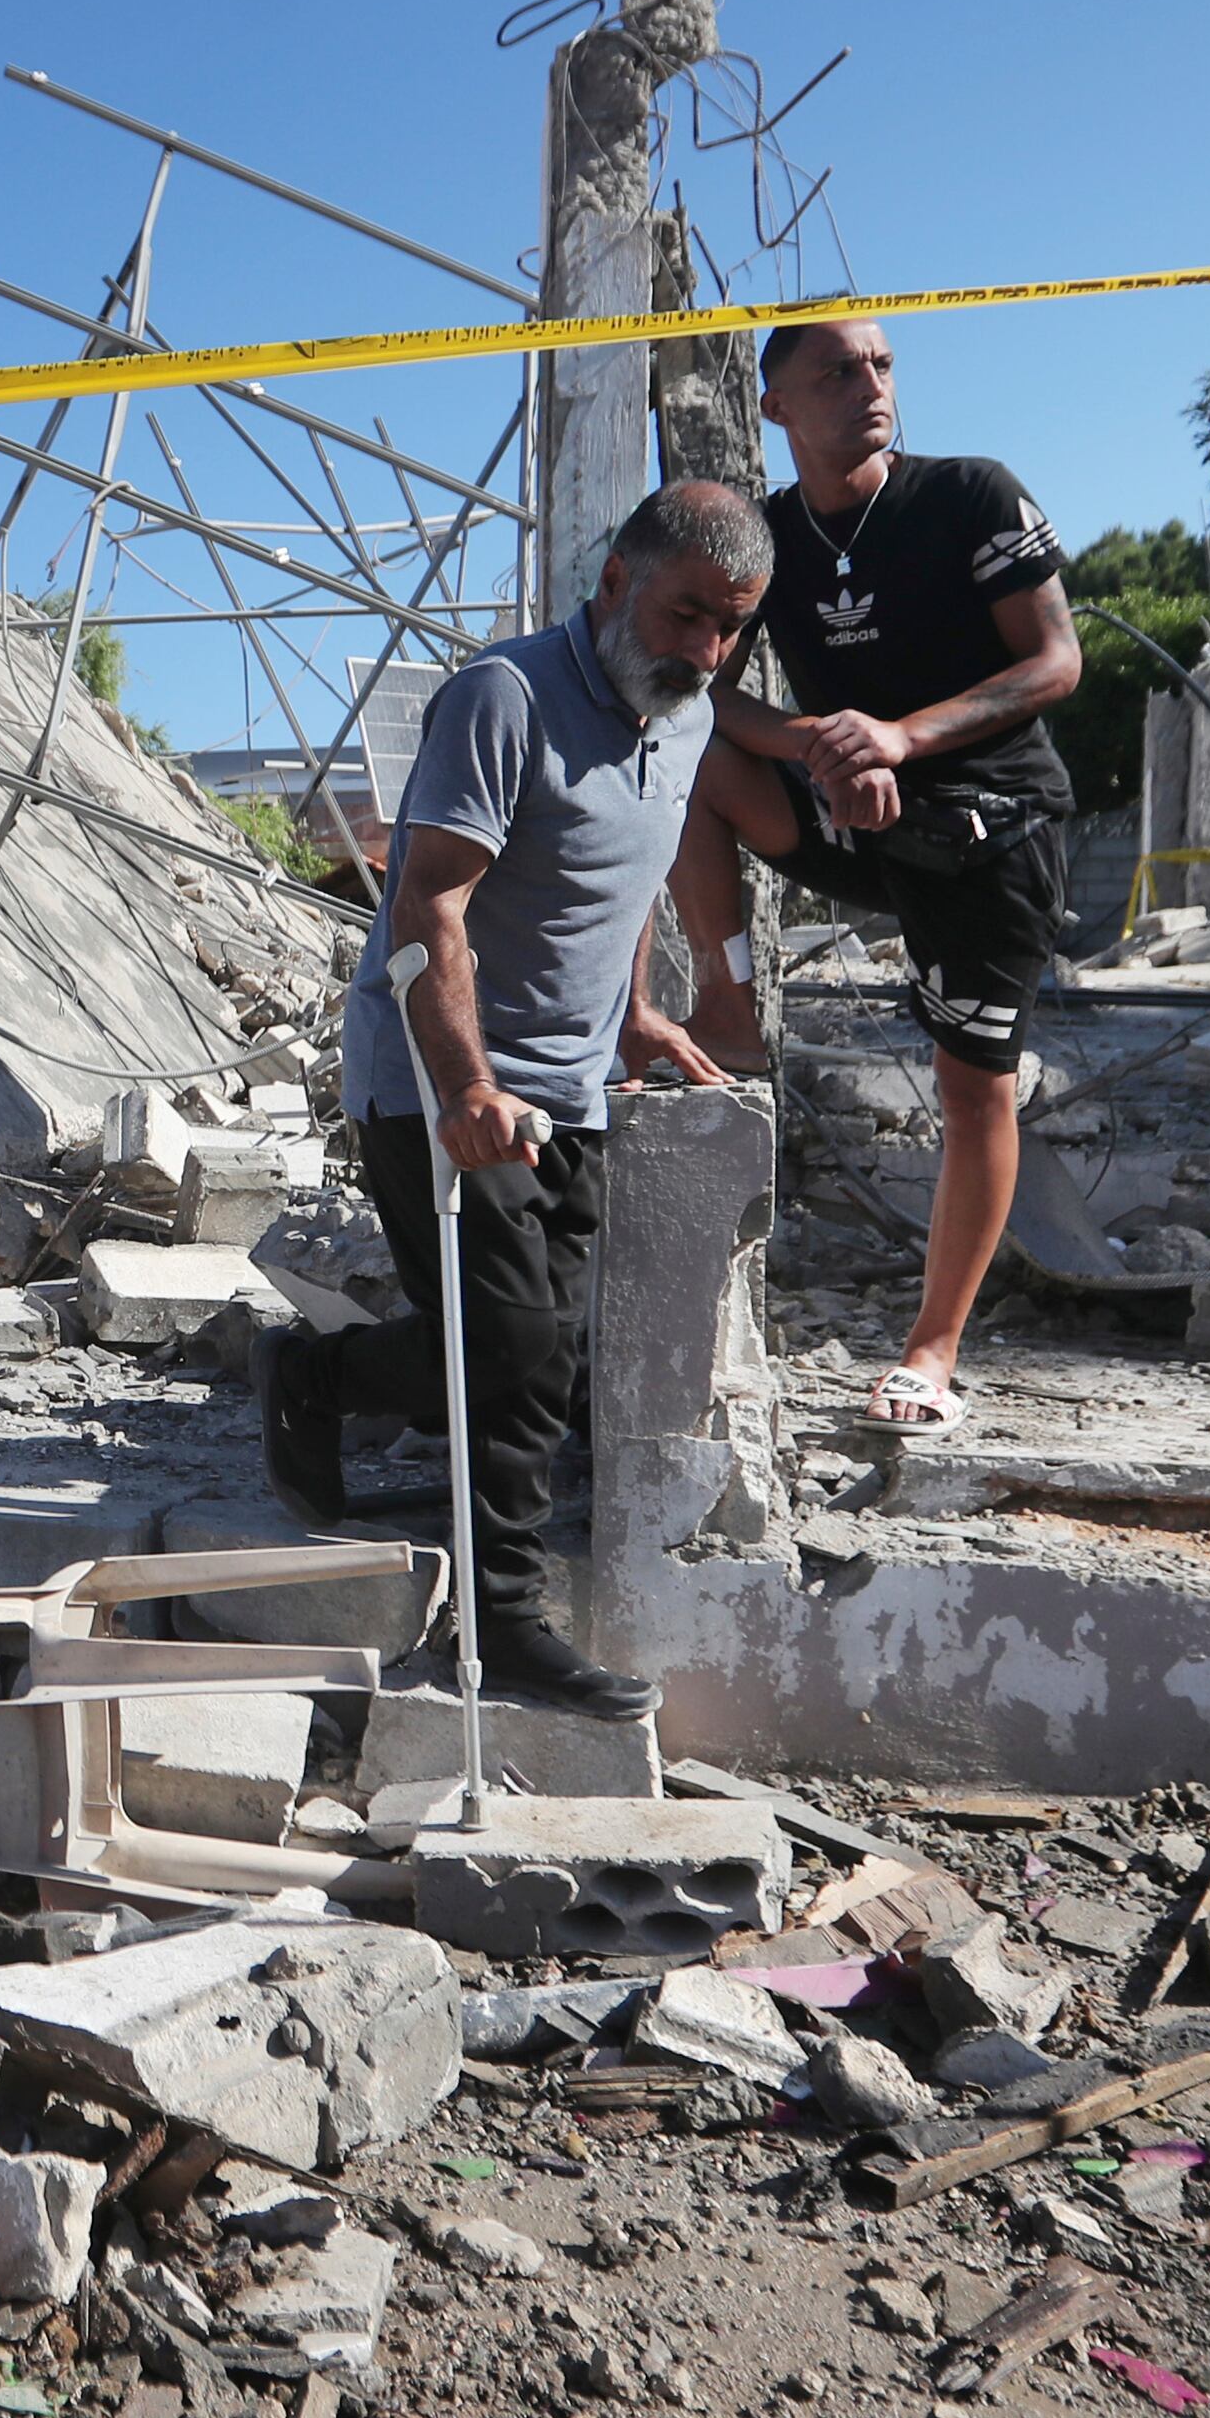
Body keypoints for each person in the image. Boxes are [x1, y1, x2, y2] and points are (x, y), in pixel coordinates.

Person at [254, 479, 774, 1727]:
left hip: (573, 1082)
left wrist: (643, 1009)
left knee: (519, 1349)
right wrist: (468, 1088)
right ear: (611, 584)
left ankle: (314, 1379)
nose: (703, 648)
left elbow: (629, 872)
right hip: (441, 1079)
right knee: (520, 1350)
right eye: (684, 613)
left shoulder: (684, 717)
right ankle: (510, 1622)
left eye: (730, 626)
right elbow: (429, 901)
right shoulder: (503, 697)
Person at [662, 317, 1080, 1440]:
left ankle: (932, 1350)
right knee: (682, 748)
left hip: (990, 824)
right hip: (853, 804)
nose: (868, 387)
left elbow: (1054, 662)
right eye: (835, 372)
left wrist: (895, 737)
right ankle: (727, 1000)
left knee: (970, 1085)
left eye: (881, 366)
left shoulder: (970, 496)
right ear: (776, 408)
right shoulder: (768, 539)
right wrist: (818, 745)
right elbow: (706, 693)